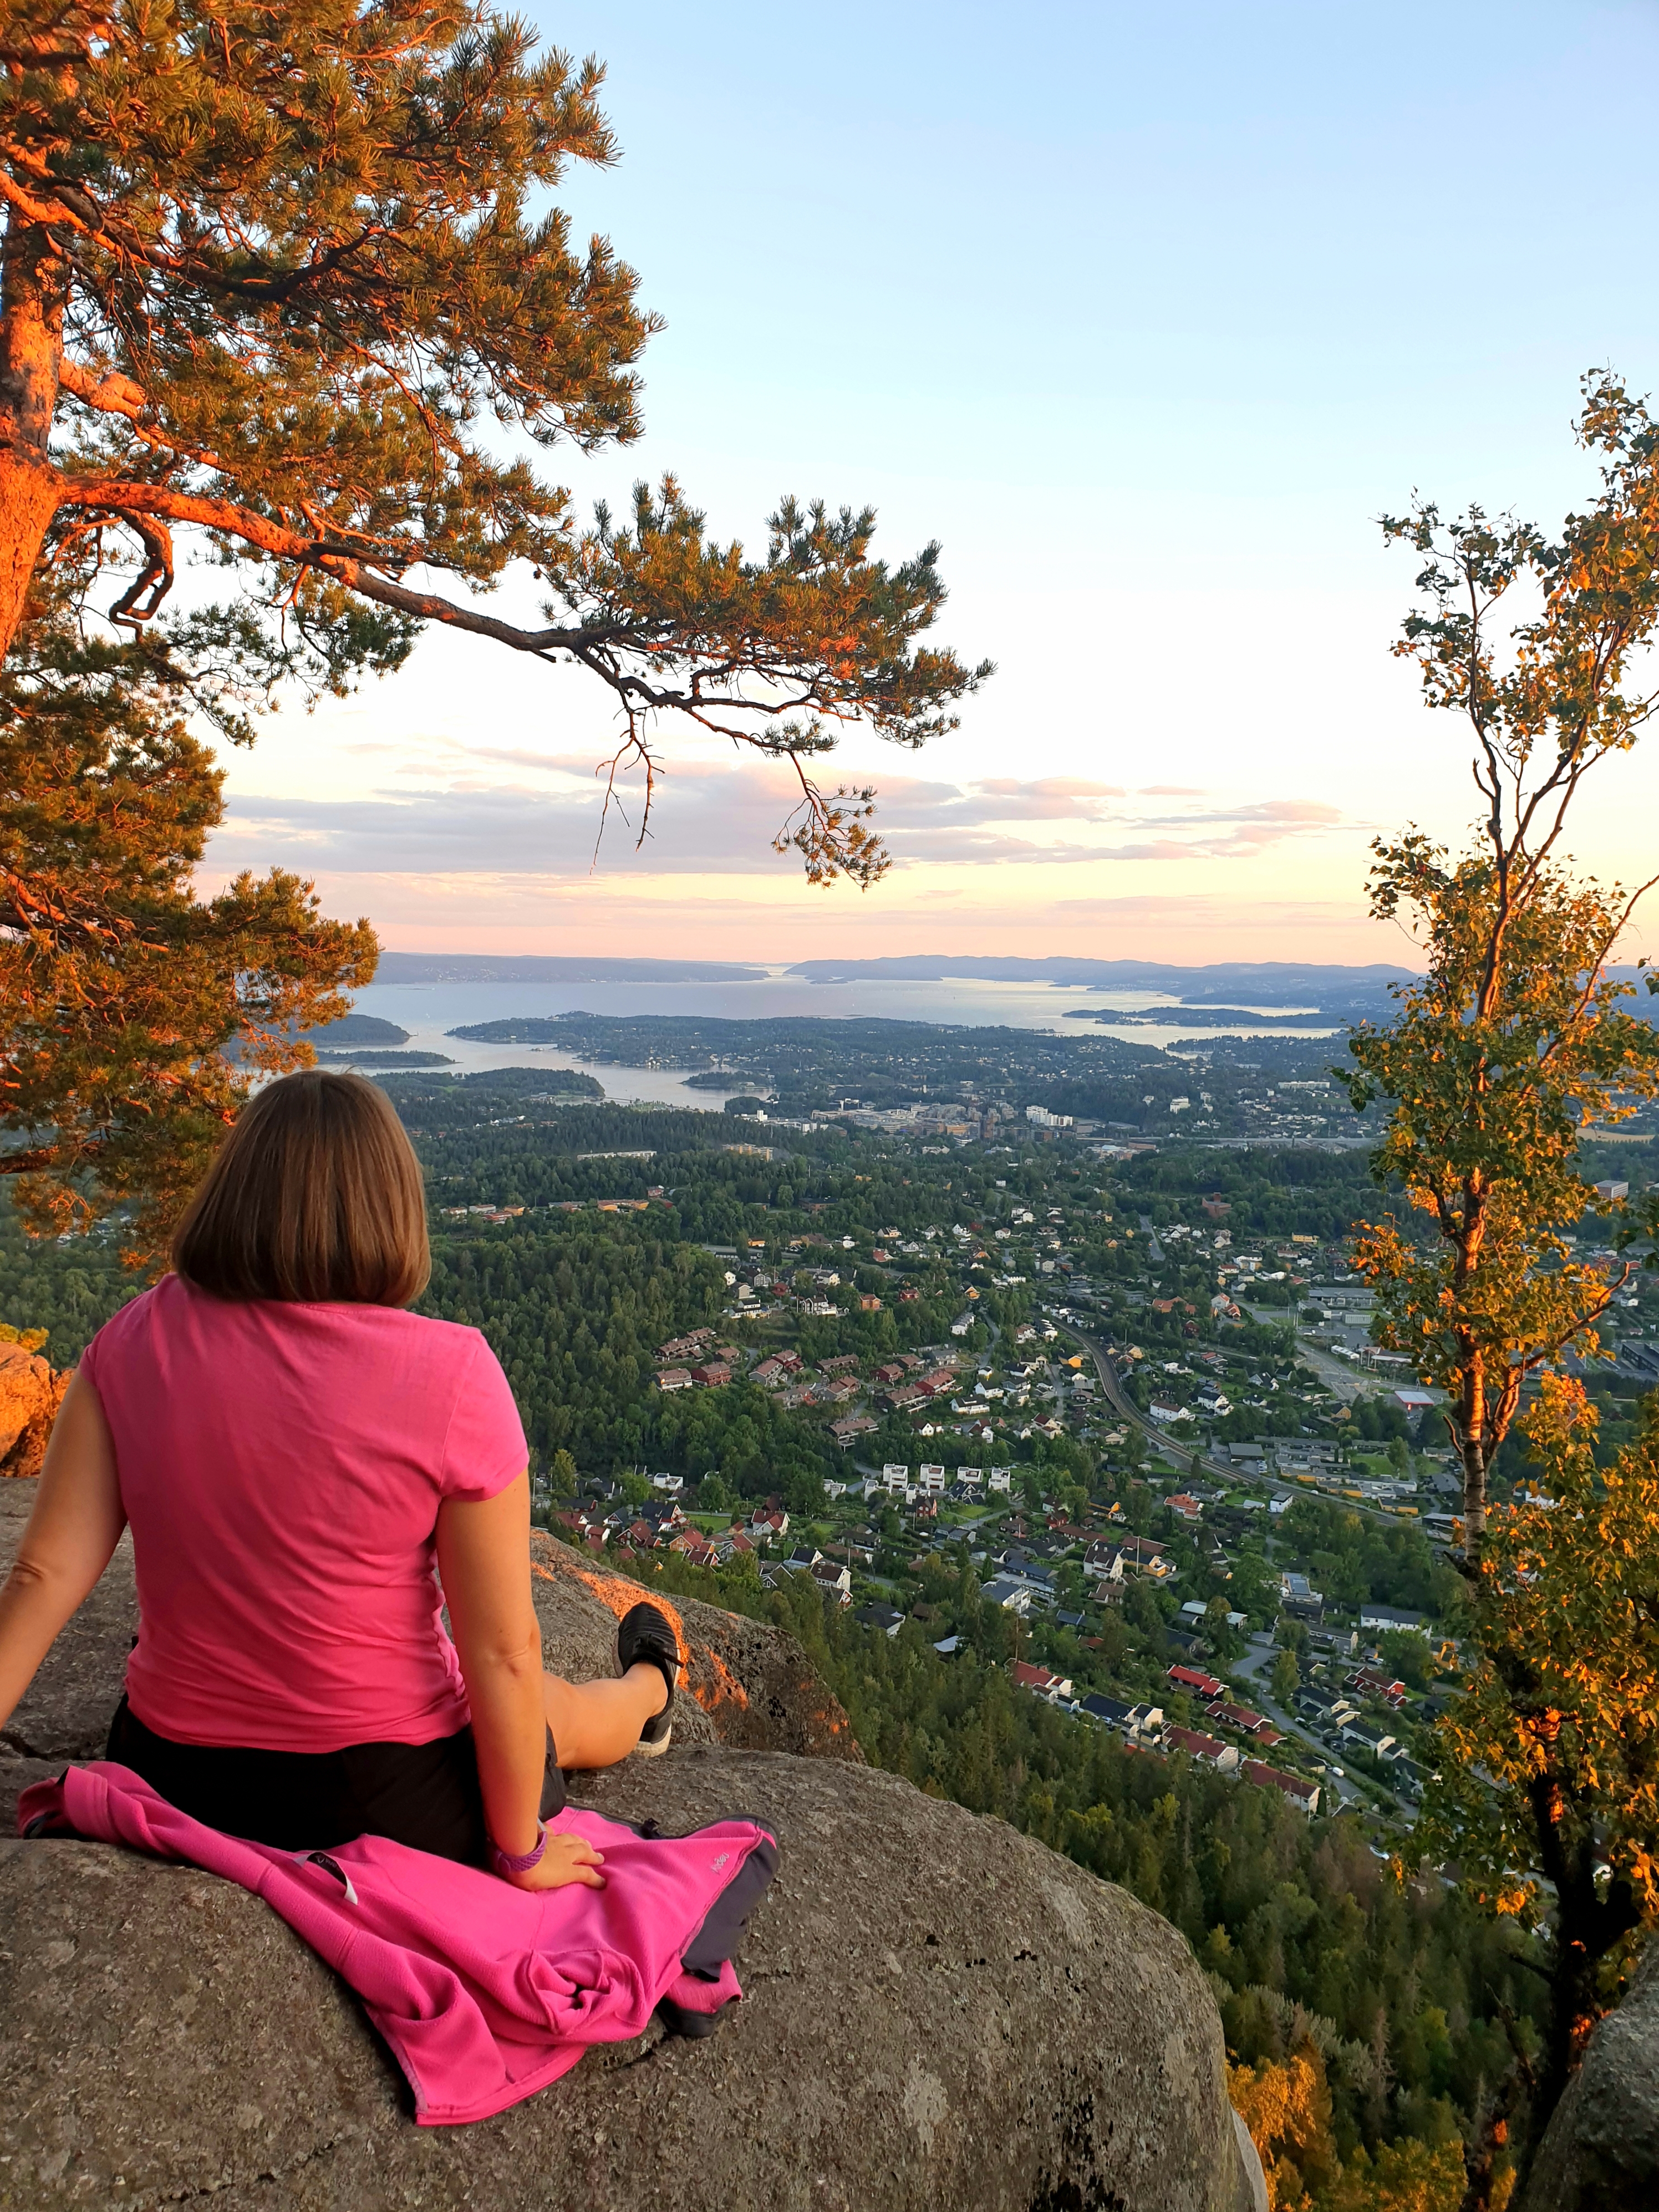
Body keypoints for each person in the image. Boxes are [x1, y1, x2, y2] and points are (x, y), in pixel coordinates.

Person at [0, 1069, 683, 1893]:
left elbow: (42, 1573)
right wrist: (520, 1850)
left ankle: (647, 1687)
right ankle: (651, 1687)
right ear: (390, 1205)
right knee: (548, 1710)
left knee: (538, 1702)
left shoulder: (128, 1342)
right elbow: (502, 1650)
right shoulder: (453, 1373)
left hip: (169, 1770)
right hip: (382, 1792)